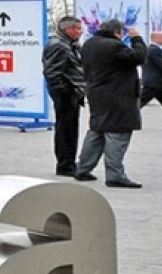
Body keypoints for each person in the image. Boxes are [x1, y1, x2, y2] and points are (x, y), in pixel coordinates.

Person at [74, 19, 147, 188]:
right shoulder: (114, 46)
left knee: (96, 132)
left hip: (97, 94)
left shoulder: (89, 44)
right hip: (117, 97)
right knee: (118, 133)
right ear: (117, 32)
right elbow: (139, 57)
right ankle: (115, 174)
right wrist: (137, 39)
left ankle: (83, 168)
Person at [43, 16, 86, 176]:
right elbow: (52, 72)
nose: (80, 32)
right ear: (68, 29)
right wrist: (63, 91)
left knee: (71, 129)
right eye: (77, 29)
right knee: (65, 129)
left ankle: (69, 162)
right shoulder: (58, 45)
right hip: (66, 93)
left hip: (73, 91)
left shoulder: (70, 44)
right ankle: (65, 165)